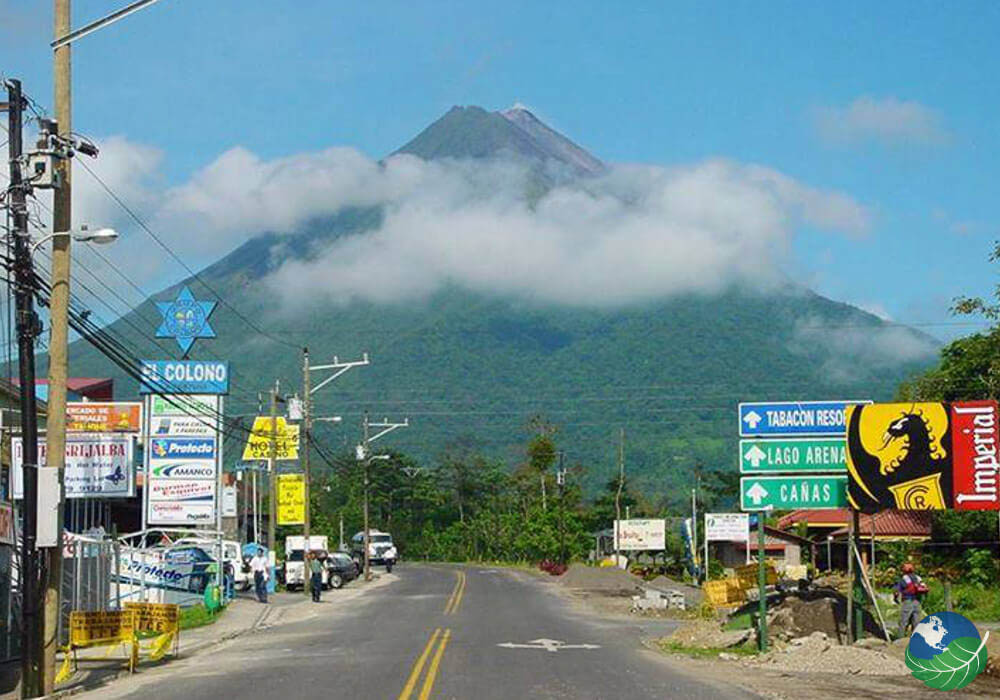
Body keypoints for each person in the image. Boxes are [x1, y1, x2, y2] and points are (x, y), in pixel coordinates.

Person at [894, 562, 927, 638]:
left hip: (907, 601)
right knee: (916, 622)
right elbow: (924, 587)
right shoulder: (918, 578)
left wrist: (895, 598)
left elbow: (897, 591)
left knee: (903, 621)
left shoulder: (904, 579)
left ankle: (900, 639)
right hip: (917, 601)